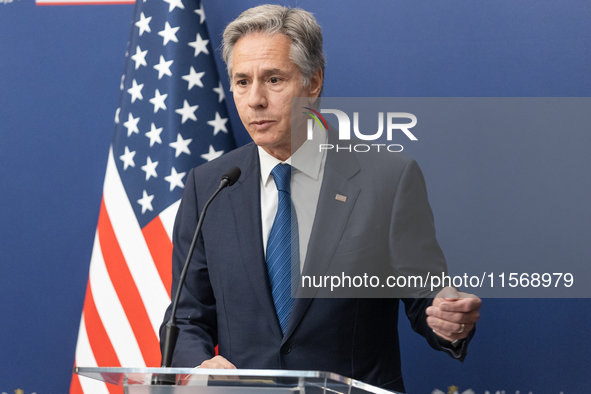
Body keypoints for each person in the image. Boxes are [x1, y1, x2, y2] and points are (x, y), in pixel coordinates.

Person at [160, 5, 481, 392]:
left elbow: (424, 297)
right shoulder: (209, 185)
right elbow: (187, 317)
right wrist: (198, 364)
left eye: (273, 79)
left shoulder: (387, 179)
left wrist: (448, 321)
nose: (255, 99)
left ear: (313, 82)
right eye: (242, 82)